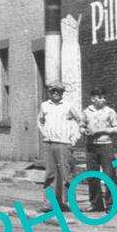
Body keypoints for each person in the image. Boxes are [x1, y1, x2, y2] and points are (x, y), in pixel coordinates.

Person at [37, 82, 84, 212]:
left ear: (62, 93)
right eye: (53, 91)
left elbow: (80, 121)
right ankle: (49, 203)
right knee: (50, 174)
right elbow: (40, 121)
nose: (55, 93)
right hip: (49, 143)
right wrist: (45, 133)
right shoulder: (44, 106)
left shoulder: (68, 106)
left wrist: (74, 138)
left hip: (64, 143)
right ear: (49, 92)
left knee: (66, 174)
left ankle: (67, 203)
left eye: (58, 91)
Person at [82, 85, 117, 213]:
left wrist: (102, 130)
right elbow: (81, 126)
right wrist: (84, 131)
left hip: (106, 146)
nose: (103, 100)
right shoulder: (86, 112)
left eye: (104, 98)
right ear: (93, 98)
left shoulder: (110, 111)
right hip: (91, 147)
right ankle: (96, 204)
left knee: (109, 175)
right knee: (92, 176)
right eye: (100, 97)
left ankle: (111, 206)